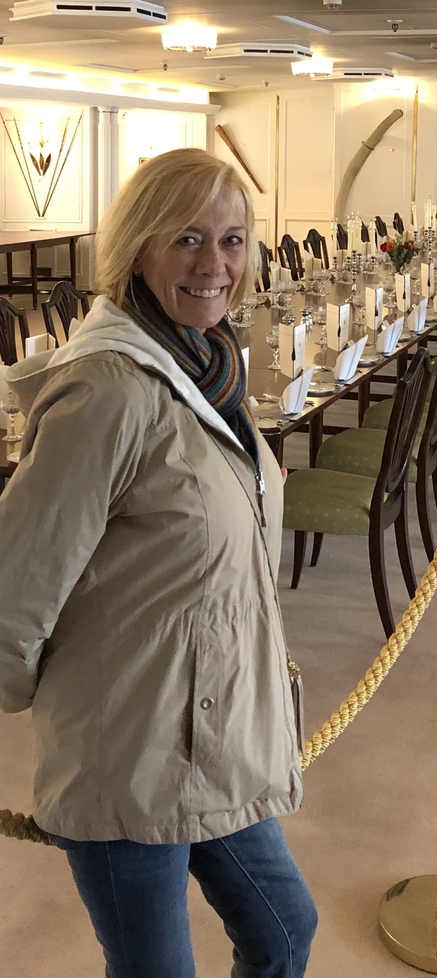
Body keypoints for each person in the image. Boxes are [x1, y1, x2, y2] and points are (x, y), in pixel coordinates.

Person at [0, 147, 317, 977]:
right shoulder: (108, 388)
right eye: (186, 238)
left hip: (219, 732)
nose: (215, 264)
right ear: (137, 248)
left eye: (232, 239)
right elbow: (14, 585)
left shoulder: (206, 365)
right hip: (127, 753)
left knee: (286, 931)